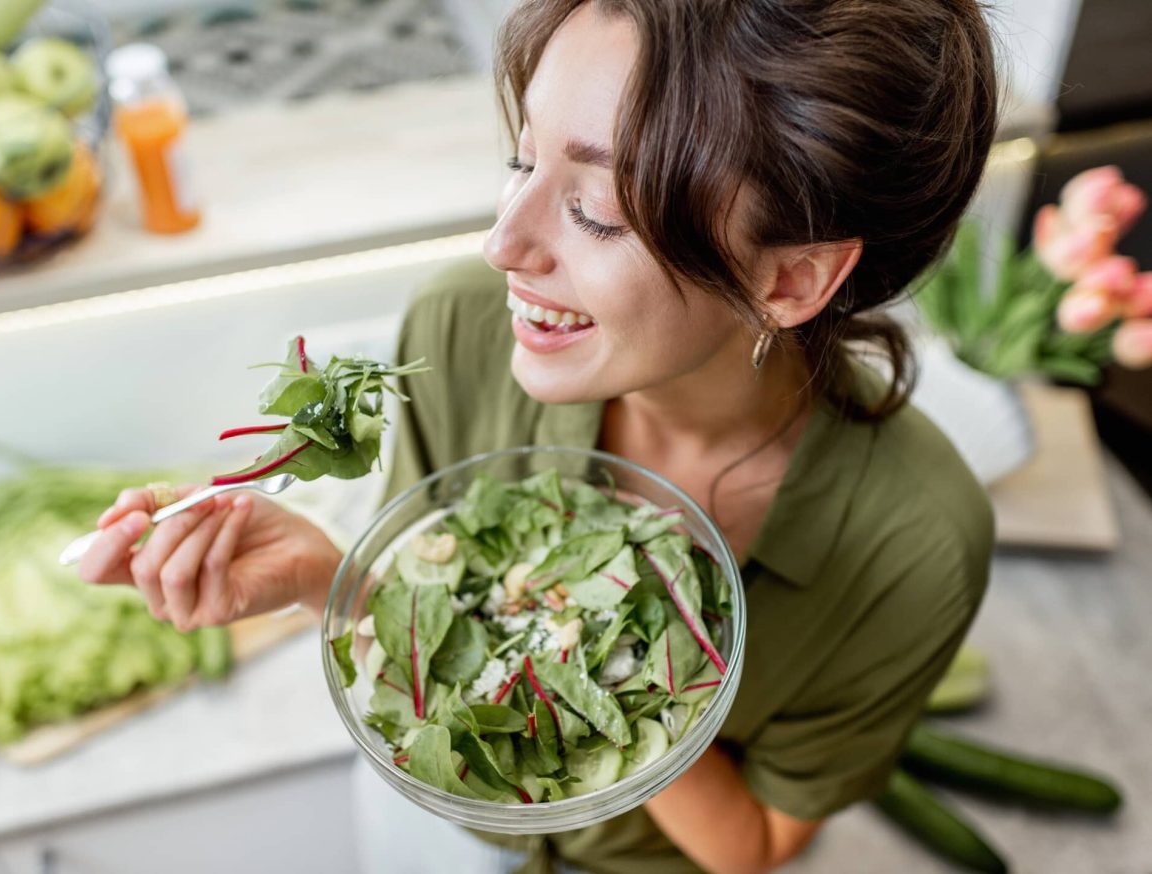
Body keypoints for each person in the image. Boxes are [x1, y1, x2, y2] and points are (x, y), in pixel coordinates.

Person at [79, 0, 1000, 871]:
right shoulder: (461, 331)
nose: (503, 245)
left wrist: (604, 672)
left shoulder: (914, 545)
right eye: (521, 164)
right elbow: (453, 621)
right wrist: (334, 580)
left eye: (595, 210)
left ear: (791, 279)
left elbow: (750, 845)